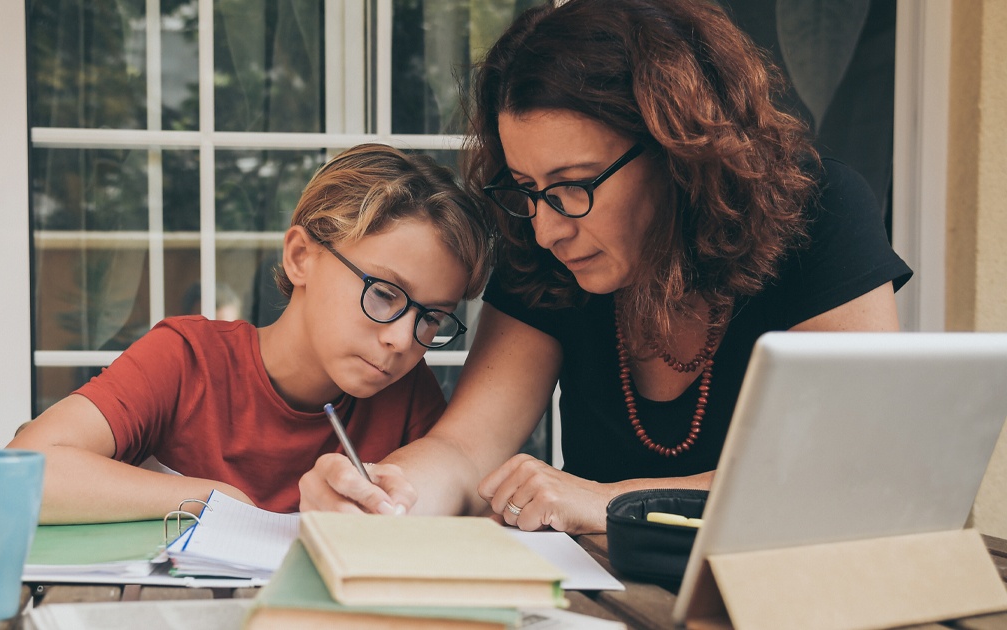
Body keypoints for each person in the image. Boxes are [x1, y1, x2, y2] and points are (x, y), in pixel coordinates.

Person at [299, 0, 912, 534]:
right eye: (527, 188)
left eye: (572, 184)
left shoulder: (820, 212)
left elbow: (848, 468)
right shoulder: (544, 246)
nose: (547, 227)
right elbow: (463, 448)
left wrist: (610, 501)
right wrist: (385, 494)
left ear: (678, 148)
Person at [10, 144, 491, 523]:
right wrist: (212, 496)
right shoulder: (186, 359)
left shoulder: (408, 394)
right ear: (301, 256)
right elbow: (23, 471)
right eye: (385, 294)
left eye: (431, 317)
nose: (403, 340)